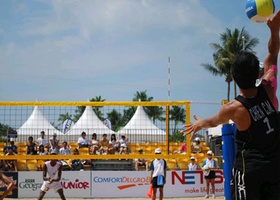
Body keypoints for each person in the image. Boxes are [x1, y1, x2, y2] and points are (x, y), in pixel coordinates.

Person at [181, 10, 280, 200]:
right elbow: (273, 53)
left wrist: (200, 123)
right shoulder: (268, 88)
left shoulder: (235, 108)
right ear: (258, 74)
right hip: (275, 165)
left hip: (250, 169)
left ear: (233, 77)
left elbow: (214, 121)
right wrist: (274, 30)